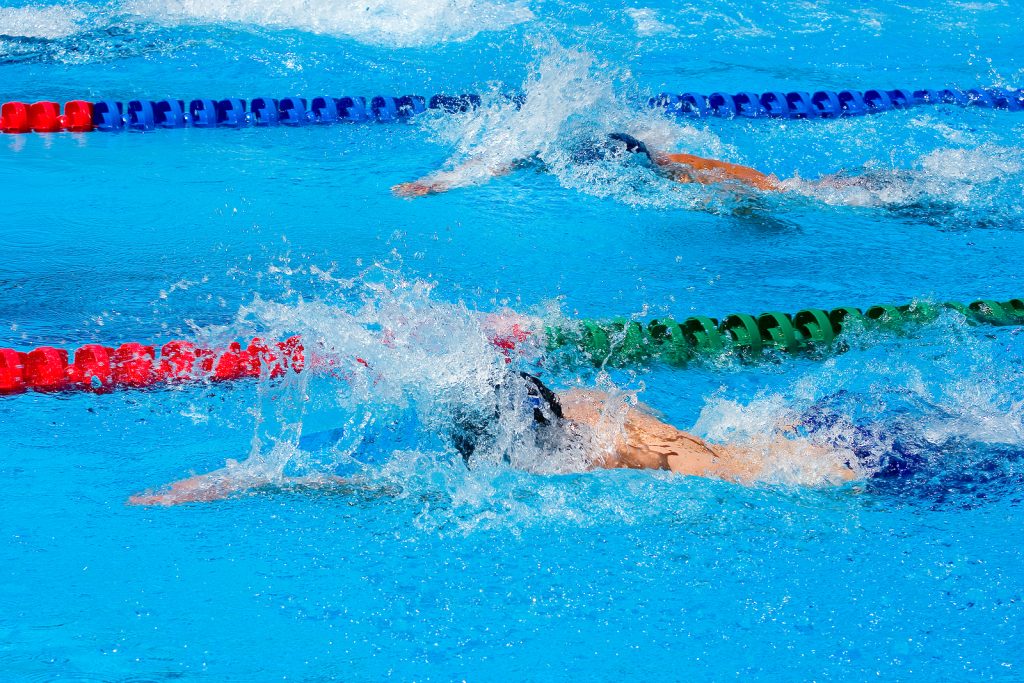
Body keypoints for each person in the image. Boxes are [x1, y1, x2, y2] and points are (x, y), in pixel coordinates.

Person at [128, 370, 857, 507]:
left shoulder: (607, 447)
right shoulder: (577, 406)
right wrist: (225, 481)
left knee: (741, 461)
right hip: (668, 431)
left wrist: (831, 471)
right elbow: (343, 469)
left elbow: (711, 463)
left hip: (772, 456)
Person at [392, 132, 782, 198]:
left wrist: (437, 182)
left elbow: (488, 167)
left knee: (672, 176)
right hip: (627, 144)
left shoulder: (534, 144)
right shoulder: (539, 139)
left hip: (615, 156)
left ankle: (771, 189)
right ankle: (780, 186)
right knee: (676, 168)